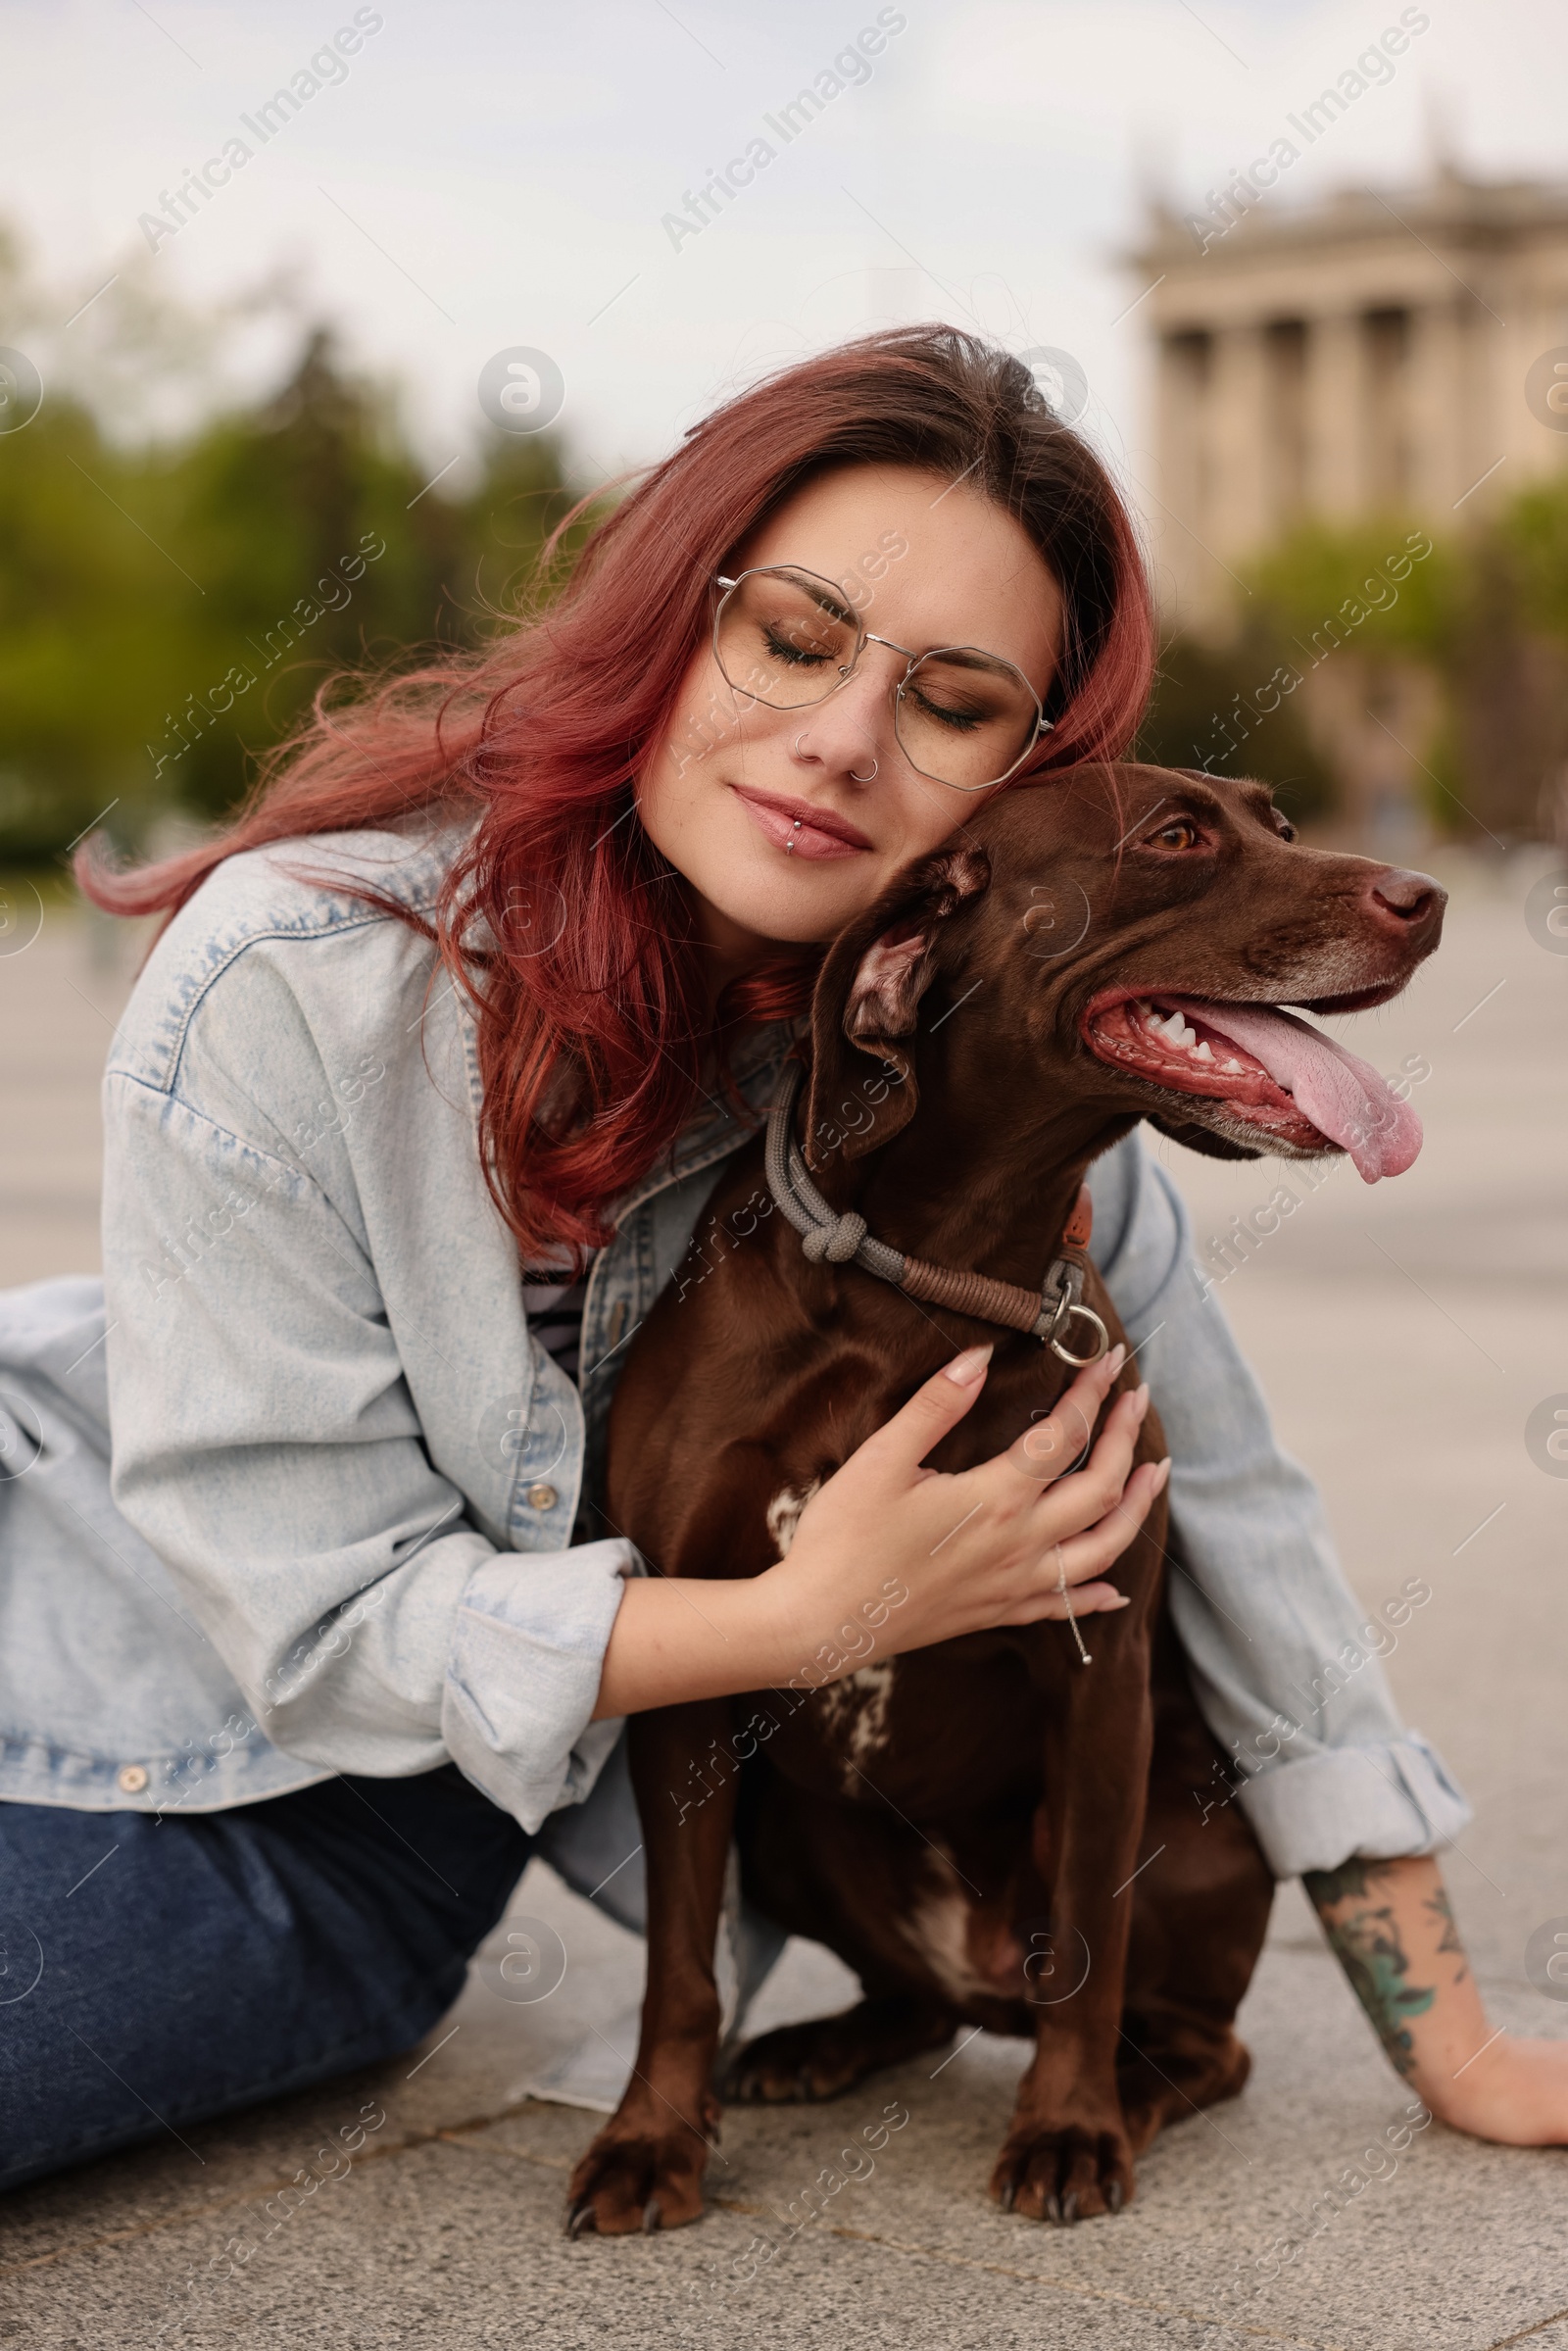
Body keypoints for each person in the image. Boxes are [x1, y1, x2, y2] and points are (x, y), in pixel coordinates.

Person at [1, 326, 1560, 2199]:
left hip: (311, 1827)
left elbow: (1227, 1504)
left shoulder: (982, 1056)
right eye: (797, 639)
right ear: (675, 618)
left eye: (956, 702)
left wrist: (1444, 2030)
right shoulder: (294, 978)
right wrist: (798, 1621)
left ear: (1011, 793)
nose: (842, 740)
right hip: (120, 1678)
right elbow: (317, 1625)